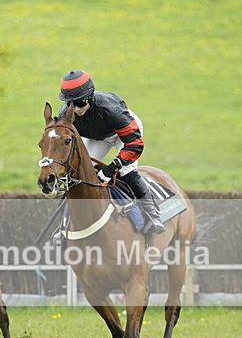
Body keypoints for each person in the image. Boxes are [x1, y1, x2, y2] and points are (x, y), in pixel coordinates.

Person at [58, 69, 165, 234]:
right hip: (97, 136)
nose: (76, 109)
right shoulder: (66, 114)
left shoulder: (110, 109)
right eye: (71, 104)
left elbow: (134, 144)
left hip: (123, 133)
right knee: (80, 171)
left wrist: (111, 167)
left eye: (80, 104)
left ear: (90, 98)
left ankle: (153, 214)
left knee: (125, 170)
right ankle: (65, 223)